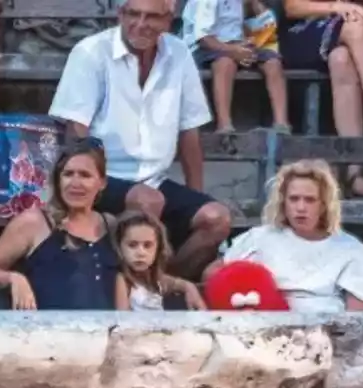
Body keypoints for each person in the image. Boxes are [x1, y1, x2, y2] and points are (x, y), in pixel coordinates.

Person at [48, 0, 233, 280]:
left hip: (154, 179)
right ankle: (133, 290)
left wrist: (197, 194)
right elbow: (77, 131)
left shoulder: (179, 53)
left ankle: (161, 284)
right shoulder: (91, 52)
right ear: (120, 14)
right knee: (148, 200)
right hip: (103, 178)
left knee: (217, 218)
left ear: (168, 20)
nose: (141, 24)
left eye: (152, 17)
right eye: (133, 14)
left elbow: (189, 131)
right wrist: (87, 186)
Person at [0, 138, 120, 310]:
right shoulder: (34, 222)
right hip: (49, 332)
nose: (75, 183)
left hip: (105, 333)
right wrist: (14, 278)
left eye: (85, 175)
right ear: (58, 179)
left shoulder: (110, 225)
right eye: (68, 174)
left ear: (102, 183)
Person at [212, 158, 363, 311]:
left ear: (324, 205)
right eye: (294, 199)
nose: (300, 207)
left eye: (310, 200)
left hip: (326, 333)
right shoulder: (259, 239)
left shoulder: (351, 249)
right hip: (264, 329)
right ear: (283, 202)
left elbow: (359, 316)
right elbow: (214, 274)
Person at [277, 0, 363, 197]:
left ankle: (354, 169)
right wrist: (336, 7)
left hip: (347, 36)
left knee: (341, 60)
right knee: (357, 24)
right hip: (302, 30)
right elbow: (292, 8)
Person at [182, 0, 291, 133]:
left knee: (272, 61)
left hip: (236, 44)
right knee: (225, 63)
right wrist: (232, 50)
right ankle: (224, 125)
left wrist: (255, 5)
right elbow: (203, 39)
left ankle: (281, 124)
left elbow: (266, 26)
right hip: (204, 47)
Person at [114, 209, 203, 310]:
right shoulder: (122, 280)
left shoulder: (156, 279)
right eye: (132, 245)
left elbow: (180, 284)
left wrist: (190, 289)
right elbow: (122, 319)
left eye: (147, 246)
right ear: (119, 247)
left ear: (158, 249)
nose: (140, 253)